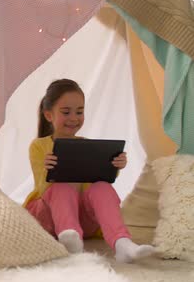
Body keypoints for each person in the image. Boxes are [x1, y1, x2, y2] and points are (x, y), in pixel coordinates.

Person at [23, 79, 155, 263]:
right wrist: (48, 170)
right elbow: (43, 188)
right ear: (49, 115)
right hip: (50, 217)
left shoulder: (85, 144)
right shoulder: (39, 146)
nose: (74, 118)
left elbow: (97, 179)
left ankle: (122, 244)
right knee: (62, 187)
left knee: (102, 186)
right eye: (66, 112)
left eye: (80, 111)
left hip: (82, 217)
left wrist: (114, 166)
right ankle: (69, 238)